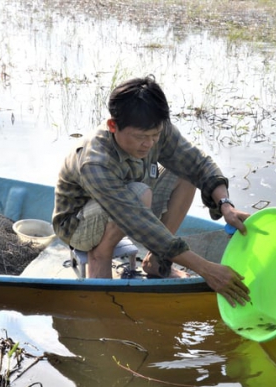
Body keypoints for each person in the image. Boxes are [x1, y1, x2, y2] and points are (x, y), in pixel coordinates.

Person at [52, 75, 250, 307]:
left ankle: (157, 262)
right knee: (138, 194)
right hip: (76, 224)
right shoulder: (96, 161)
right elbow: (138, 220)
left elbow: (198, 163)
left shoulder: (157, 132)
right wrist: (206, 269)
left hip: (130, 202)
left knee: (184, 174)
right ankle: (100, 258)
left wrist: (226, 204)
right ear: (113, 126)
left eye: (155, 135)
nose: (149, 143)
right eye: (140, 137)